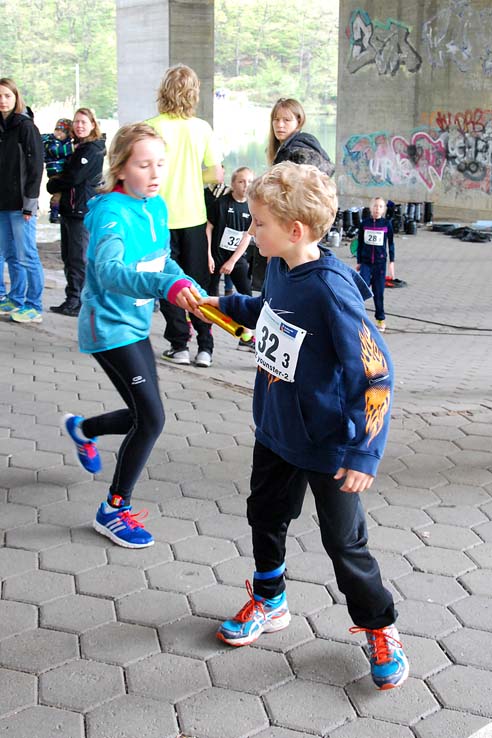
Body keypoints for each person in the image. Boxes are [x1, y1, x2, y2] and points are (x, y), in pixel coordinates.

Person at [198, 162, 409, 691]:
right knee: (265, 516)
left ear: (295, 230)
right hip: (275, 433)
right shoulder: (278, 265)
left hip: (329, 446)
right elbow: (271, 311)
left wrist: (365, 453)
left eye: (259, 224)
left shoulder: (332, 292)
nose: (252, 231)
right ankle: (270, 600)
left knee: (345, 544)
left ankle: (380, 627)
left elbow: (376, 375)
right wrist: (225, 306)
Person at [62, 123, 207, 548]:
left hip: (136, 324)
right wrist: (165, 287)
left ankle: (83, 428)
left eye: (160, 163)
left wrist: (186, 284)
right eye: (144, 165)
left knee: (144, 414)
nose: (155, 172)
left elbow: (161, 261)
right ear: (121, 168)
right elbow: (108, 273)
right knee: (152, 418)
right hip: (108, 327)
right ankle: (113, 509)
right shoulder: (111, 213)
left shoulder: (155, 205)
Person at [147, 64, 223, 368]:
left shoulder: (151, 127)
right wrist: (193, 176)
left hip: (159, 218)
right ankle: (205, 347)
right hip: (193, 217)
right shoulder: (202, 128)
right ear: (194, 94)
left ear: (162, 91)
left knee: (168, 281)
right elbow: (216, 174)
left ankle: (179, 345)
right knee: (198, 284)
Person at [47, 107, 105, 317]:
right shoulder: (77, 147)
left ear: (93, 125)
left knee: (78, 258)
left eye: (84, 122)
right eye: (76, 122)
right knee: (69, 256)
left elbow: (72, 177)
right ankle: (72, 299)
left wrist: (52, 185)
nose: (79, 126)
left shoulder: (91, 149)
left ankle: (78, 301)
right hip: (71, 208)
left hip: (81, 210)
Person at [0, 77, 44, 324]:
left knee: (27, 255)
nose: (3, 100)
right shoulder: (2, 127)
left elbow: (36, 167)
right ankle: (15, 298)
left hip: (21, 205)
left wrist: (30, 203)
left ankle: (34, 305)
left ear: (16, 98)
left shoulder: (26, 127)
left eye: (7, 95)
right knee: (10, 254)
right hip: (2, 204)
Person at [206, 166, 255, 351]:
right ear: (233, 184)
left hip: (236, 257)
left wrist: (233, 261)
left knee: (246, 294)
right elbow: (208, 228)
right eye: (241, 182)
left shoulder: (252, 207)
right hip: (216, 256)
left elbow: (247, 236)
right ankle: (206, 334)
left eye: (249, 182)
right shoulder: (221, 204)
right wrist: (208, 255)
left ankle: (246, 338)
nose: (245, 185)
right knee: (210, 294)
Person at [267, 98, 335, 176]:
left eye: (287, 120)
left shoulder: (299, 151)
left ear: (299, 121)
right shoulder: (285, 148)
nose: (280, 125)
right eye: (276, 119)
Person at [357, 196, 395, 333]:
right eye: (375, 206)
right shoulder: (364, 223)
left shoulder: (386, 224)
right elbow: (360, 243)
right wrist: (359, 261)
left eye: (380, 206)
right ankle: (358, 317)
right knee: (361, 290)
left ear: (383, 209)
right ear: (370, 208)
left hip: (380, 264)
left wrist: (391, 262)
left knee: (378, 292)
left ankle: (380, 319)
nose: (377, 209)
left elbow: (390, 244)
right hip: (366, 263)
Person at [41, 118, 74, 223]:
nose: (59, 133)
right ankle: (54, 214)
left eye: (63, 131)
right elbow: (56, 151)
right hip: (55, 170)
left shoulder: (67, 142)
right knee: (57, 193)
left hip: (64, 170)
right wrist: (73, 148)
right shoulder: (51, 142)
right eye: (57, 130)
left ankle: (57, 212)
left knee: (62, 193)